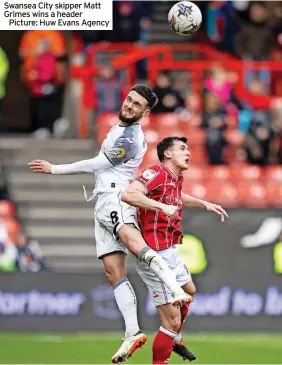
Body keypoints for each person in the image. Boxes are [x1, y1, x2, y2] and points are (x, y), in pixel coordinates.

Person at [28, 85, 192, 364]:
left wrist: (55, 168)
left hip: (116, 198)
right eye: (129, 99)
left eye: (136, 104)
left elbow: (97, 164)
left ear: (145, 112)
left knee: (134, 243)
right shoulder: (120, 129)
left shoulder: (130, 138)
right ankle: (132, 332)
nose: (129, 105)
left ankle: (174, 290)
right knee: (113, 273)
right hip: (103, 202)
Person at [121, 136, 228, 364]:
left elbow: (176, 198)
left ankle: (176, 339)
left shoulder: (174, 177)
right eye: (182, 148)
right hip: (153, 255)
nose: (188, 152)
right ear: (167, 154)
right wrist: (160, 206)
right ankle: (163, 356)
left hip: (169, 250)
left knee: (189, 290)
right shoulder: (156, 173)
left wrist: (204, 203)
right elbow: (129, 194)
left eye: (188, 148)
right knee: (171, 320)